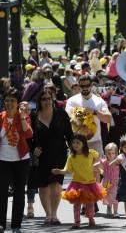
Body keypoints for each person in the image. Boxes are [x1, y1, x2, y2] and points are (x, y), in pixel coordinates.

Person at [31, 89, 73, 225]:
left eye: (49, 98)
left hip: (59, 154)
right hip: (42, 156)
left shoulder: (61, 114)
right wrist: (33, 149)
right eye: (44, 99)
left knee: (56, 185)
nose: (47, 101)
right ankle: (47, 214)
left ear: (53, 99)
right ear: (39, 101)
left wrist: (76, 151)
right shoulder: (33, 116)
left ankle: (54, 214)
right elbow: (28, 137)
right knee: (43, 186)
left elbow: (70, 135)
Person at [51, 134, 106, 229]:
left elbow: (98, 160)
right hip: (77, 183)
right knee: (77, 204)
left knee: (90, 203)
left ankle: (91, 218)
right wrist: (59, 171)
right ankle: (77, 222)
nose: (75, 145)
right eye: (73, 143)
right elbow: (67, 170)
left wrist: (98, 168)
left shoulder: (90, 153)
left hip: (90, 183)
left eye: (78, 143)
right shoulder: (71, 157)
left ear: (83, 144)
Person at [0, 89, 32, 233]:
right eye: (7, 100)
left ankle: (16, 225)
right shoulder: (1, 117)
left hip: (21, 159)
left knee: (19, 194)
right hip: (3, 159)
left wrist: (22, 117)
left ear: (17, 103)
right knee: (1, 193)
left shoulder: (23, 117)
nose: (9, 103)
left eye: (12, 100)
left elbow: (28, 134)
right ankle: (1, 224)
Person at [65, 75, 112, 157]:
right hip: (77, 143)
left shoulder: (99, 101)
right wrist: (82, 118)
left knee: (97, 169)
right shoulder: (72, 101)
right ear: (79, 86)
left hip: (95, 142)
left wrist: (94, 112)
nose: (85, 88)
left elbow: (108, 119)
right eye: (82, 86)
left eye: (87, 85)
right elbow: (69, 118)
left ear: (91, 85)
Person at [95, 143, 120, 218]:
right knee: (107, 195)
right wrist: (100, 171)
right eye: (109, 153)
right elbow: (94, 166)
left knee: (115, 197)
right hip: (106, 182)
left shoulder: (118, 162)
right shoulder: (104, 162)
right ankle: (109, 207)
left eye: (113, 153)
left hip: (115, 182)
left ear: (116, 153)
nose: (111, 155)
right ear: (106, 153)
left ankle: (115, 212)